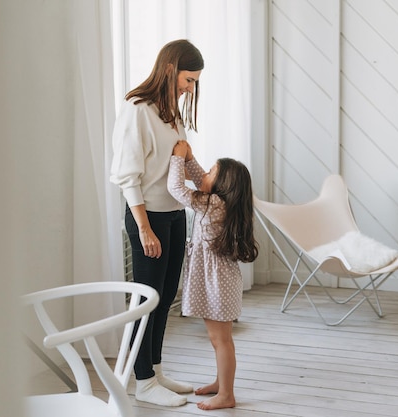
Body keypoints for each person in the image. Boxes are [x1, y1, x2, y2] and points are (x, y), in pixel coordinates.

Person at [109, 39, 204, 407]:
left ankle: (157, 370)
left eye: (194, 82)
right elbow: (127, 176)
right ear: (170, 69)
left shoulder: (171, 111)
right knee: (145, 300)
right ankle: (142, 381)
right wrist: (145, 227)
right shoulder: (137, 109)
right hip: (147, 217)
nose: (190, 88)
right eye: (188, 79)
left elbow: (177, 163)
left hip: (175, 215)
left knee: (165, 298)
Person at [167, 140, 259, 410]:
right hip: (219, 281)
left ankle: (227, 395)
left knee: (221, 341)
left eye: (209, 172)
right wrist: (191, 160)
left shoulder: (213, 204)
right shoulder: (220, 201)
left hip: (216, 283)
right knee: (218, 339)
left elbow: (176, 188)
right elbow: (201, 182)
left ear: (222, 186)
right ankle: (221, 384)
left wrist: (178, 158)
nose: (202, 175)